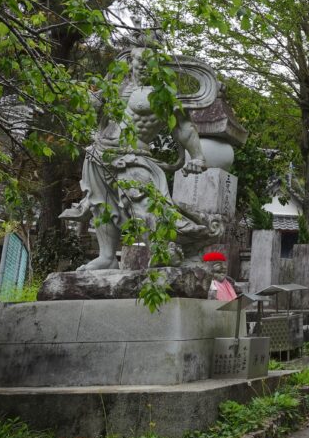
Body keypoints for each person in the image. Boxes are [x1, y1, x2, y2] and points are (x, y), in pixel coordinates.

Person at [61, 41, 219, 270]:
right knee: (101, 205)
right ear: (130, 62)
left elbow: (183, 128)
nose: (145, 67)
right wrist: (80, 96)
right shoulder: (115, 88)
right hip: (99, 154)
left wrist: (197, 157)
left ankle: (163, 249)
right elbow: (88, 109)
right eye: (140, 62)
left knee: (144, 204)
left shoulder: (163, 94)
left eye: (150, 64)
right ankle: (107, 257)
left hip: (133, 156)